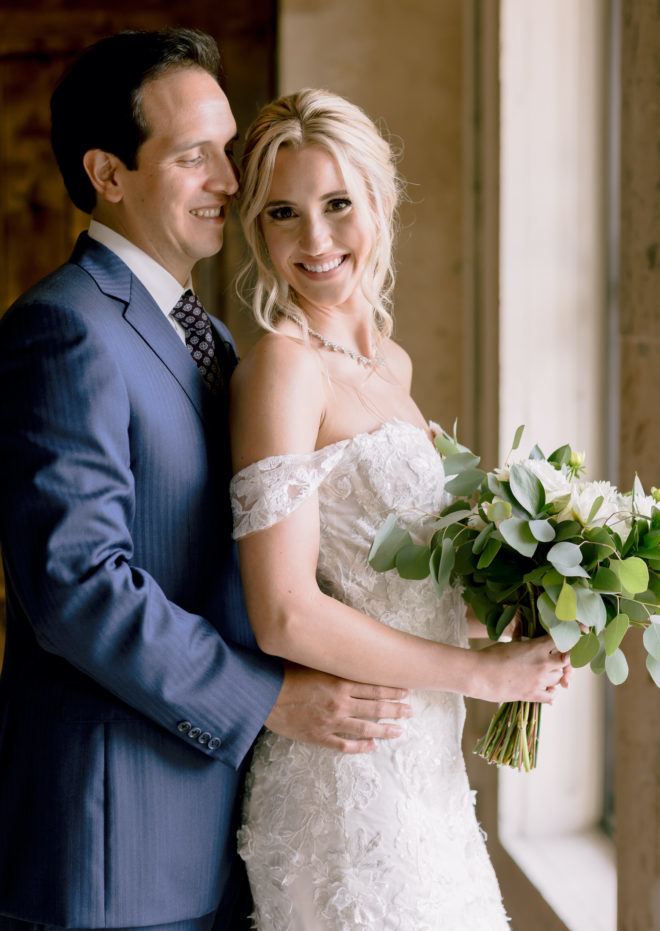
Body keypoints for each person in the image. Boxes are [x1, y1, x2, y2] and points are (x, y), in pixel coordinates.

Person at [0, 32, 412, 931]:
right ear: (109, 174)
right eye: (196, 156)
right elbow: (74, 586)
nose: (232, 179)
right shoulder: (63, 329)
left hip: (229, 828)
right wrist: (267, 697)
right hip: (114, 851)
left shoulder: (214, 340)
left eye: (229, 150)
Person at [229, 88, 573, 929]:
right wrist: (481, 674)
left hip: (425, 772)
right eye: (283, 213)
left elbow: (399, 595)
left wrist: (536, 620)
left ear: (379, 202)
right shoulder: (283, 367)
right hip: (344, 785)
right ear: (258, 230)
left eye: (337, 203)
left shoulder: (392, 367)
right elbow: (284, 613)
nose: (314, 240)